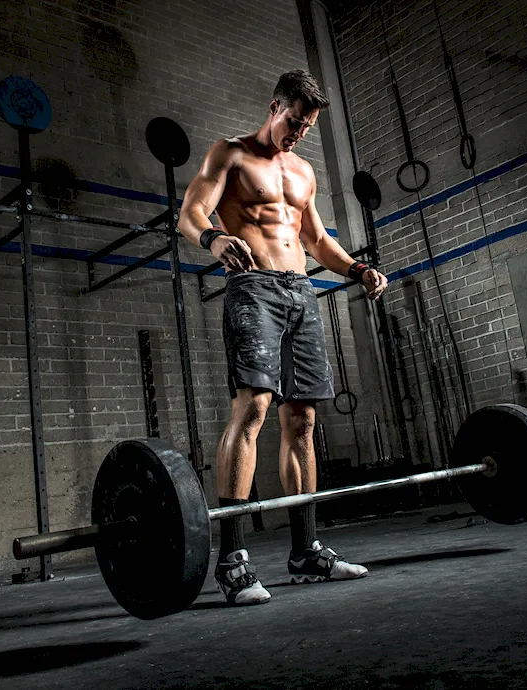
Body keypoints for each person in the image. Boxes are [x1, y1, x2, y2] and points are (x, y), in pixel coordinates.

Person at [178, 69, 389, 605]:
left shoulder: (303, 170)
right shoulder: (229, 153)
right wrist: (213, 238)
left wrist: (357, 270)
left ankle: (305, 548)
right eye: (294, 122)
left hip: (301, 292)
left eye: (307, 127)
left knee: (304, 419)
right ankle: (232, 559)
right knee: (253, 409)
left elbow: (316, 237)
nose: (298, 133)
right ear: (276, 107)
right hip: (252, 289)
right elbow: (190, 212)